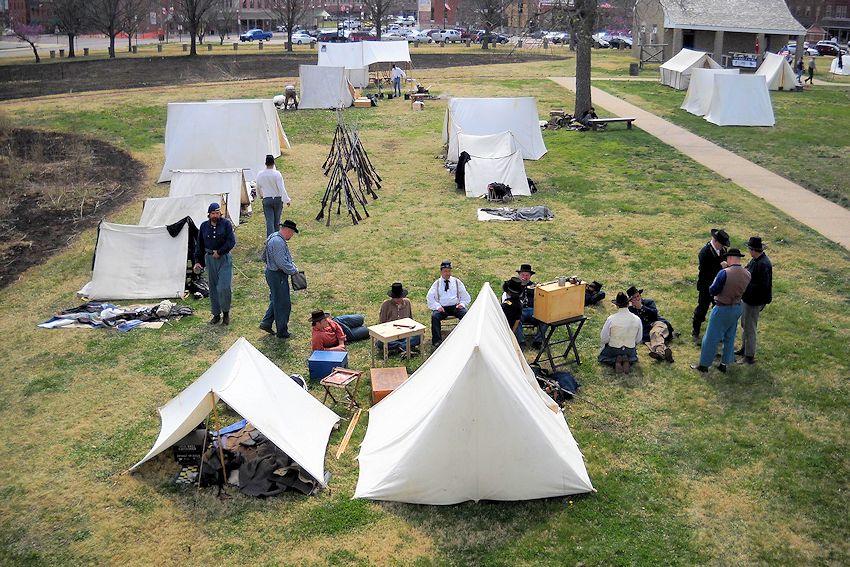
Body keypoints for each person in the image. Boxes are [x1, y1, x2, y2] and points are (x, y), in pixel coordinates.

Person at [692, 248, 751, 373]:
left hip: (722, 307)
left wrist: (723, 270)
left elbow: (713, 290)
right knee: (730, 336)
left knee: (710, 337)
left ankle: (704, 365)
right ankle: (724, 363)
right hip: (736, 308)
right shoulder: (747, 274)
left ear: (729, 258)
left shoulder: (724, 273)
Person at [194, 202, 235, 325]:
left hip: (224, 259)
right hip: (210, 259)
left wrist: (221, 252)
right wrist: (198, 262)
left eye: (217, 213)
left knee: (224, 287)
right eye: (213, 213)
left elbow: (231, 241)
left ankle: (226, 312)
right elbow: (200, 245)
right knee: (213, 288)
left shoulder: (226, 224)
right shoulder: (204, 226)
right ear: (209, 214)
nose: (215, 215)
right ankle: (216, 314)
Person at [259, 219, 299, 339]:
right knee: (283, 303)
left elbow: (266, 257)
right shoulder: (278, 242)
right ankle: (282, 331)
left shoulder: (274, 237)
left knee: (276, 299)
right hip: (277, 275)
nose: (292, 235)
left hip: (274, 273)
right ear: (288, 230)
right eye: (292, 232)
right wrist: (293, 271)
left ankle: (266, 322)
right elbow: (281, 263)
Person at [737, 236, 772, 364]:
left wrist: (746, 284)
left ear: (753, 250)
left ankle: (749, 356)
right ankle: (744, 348)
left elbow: (762, 286)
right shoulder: (755, 260)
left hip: (754, 301)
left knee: (750, 327)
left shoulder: (763, 265)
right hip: (748, 299)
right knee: (745, 324)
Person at [692, 228, 730, 343]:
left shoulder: (723, 250)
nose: (722, 246)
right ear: (716, 242)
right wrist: (720, 266)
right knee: (702, 308)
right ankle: (696, 331)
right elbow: (705, 271)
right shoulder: (705, 252)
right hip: (706, 287)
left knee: (718, 309)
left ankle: (717, 332)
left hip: (719, 286)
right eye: (722, 244)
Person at [426, 260, 471, 347]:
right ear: (441, 272)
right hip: (442, 308)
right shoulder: (437, 284)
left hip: (455, 307)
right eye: (445, 271)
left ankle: (465, 336)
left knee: (465, 314)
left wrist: (462, 304)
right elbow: (430, 297)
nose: (447, 273)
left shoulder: (457, 282)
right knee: (435, 316)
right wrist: (437, 306)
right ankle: (437, 340)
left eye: (449, 271)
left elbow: (465, 296)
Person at [598, 292, 643, 374]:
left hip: (614, 349)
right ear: (628, 304)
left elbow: (604, 338)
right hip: (629, 350)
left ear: (617, 305)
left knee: (602, 357)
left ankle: (615, 360)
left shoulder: (611, 319)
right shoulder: (637, 319)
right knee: (633, 356)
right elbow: (638, 339)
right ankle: (627, 360)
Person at [627, 285, 674, 363]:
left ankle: (660, 352)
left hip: (657, 324)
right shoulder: (630, 310)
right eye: (634, 298)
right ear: (631, 301)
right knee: (651, 340)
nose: (637, 299)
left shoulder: (649, 302)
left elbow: (654, 314)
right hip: (646, 333)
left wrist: (641, 307)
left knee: (655, 332)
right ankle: (662, 352)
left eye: (638, 296)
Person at [377, 282, 420, 354]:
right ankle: (404, 346)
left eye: (399, 297)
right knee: (380, 343)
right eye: (396, 298)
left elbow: (410, 319)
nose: (398, 300)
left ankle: (399, 347)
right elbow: (382, 322)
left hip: (405, 333)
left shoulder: (407, 303)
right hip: (390, 334)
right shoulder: (386, 304)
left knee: (418, 337)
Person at [255, 154, 291, 237]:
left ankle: (270, 238)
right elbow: (281, 188)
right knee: (277, 221)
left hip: (267, 199)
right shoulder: (277, 174)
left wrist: (260, 196)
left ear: (265, 163)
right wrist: (286, 200)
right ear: (273, 163)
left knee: (269, 221)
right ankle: (277, 238)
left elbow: (258, 187)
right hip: (277, 199)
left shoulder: (260, 174)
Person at [512, 264, 546, 348]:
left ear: (530, 276)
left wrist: (539, 289)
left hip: (533, 310)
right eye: (523, 275)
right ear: (519, 275)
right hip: (521, 310)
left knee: (545, 319)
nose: (525, 277)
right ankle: (521, 341)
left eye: (527, 275)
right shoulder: (515, 285)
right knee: (516, 319)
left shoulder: (534, 285)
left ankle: (538, 341)